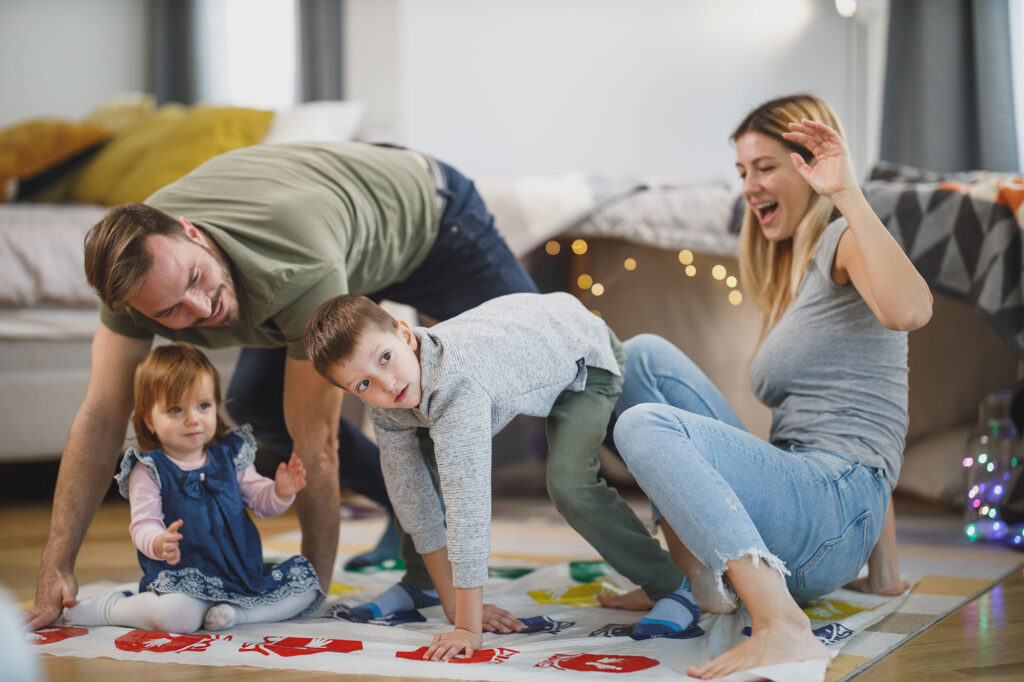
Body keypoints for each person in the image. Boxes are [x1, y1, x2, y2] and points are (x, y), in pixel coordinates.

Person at [26, 141, 538, 631]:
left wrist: (308, 593)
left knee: (545, 364)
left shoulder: (293, 261)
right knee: (257, 403)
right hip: (339, 226)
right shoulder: (134, 282)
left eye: (196, 279)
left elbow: (316, 441)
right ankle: (415, 513)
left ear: (192, 232)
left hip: (430, 216)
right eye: (169, 312)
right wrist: (56, 564)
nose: (203, 310)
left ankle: (619, 441)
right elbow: (101, 416)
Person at [605, 94, 931, 679]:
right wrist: (883, 578)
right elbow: (870, 393)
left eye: (766, 167)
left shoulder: (844, 241)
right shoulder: (791, 275)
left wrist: (845, 191)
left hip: (834, 506)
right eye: (742, 172)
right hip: (812, 498)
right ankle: (690, 580)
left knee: (643, 425)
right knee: (641, 358)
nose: (750, 186)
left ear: (808, 164)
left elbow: (909, 312)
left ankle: (782, 625)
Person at [303, 291, 697, 661]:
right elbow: (413, 498)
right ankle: (423, 583)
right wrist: (449, 600)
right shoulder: (389, 404)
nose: (387, 385)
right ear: (353, 393)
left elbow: (468, 506)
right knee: (413, 475)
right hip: (524, 335)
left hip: (583, 354)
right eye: (365, 384)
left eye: (385, 358)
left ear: (405, 335)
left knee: (569, 482)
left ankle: (672, 585)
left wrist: (466, 627)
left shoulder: (459, 385)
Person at [64, 343, 322, 633]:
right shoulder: (150, 469)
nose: (192, 419)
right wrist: (158, 542)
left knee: (307, 586)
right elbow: (142, 525)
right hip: (184, 580)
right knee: (177, 618)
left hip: (241, 576)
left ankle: (236, 615)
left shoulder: (231, 455)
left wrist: (280, 492)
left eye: (203, 406)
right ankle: (109, 608)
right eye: (176, 409)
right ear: (149, 419)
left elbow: (261, 502)